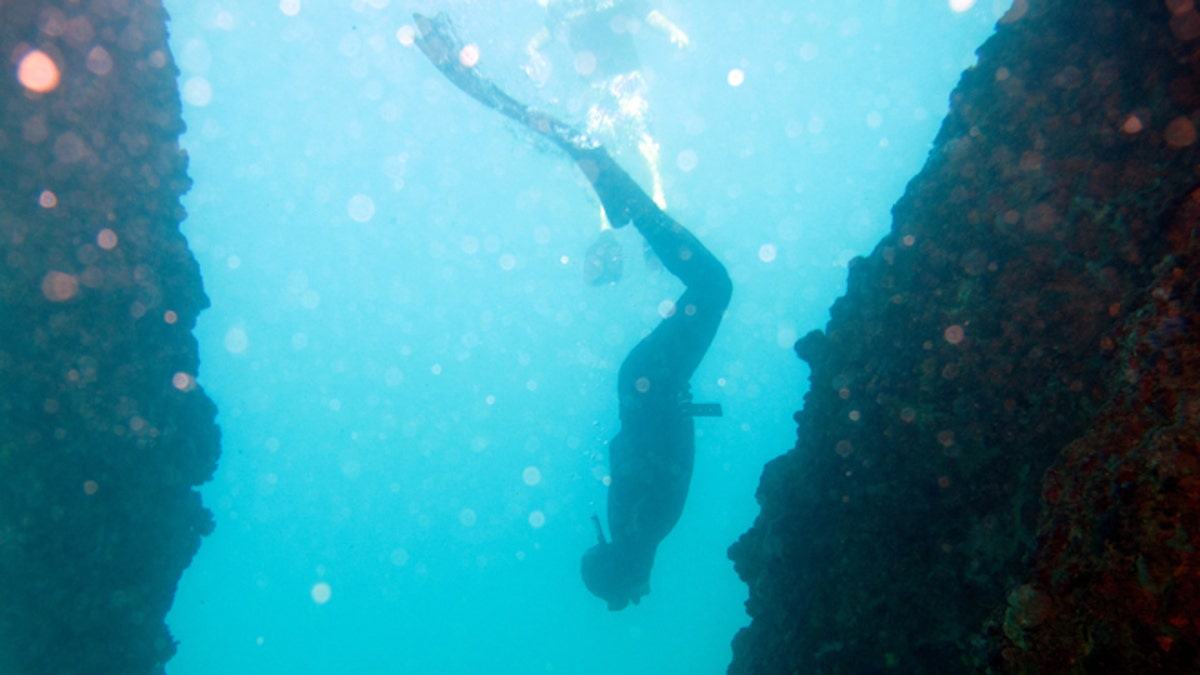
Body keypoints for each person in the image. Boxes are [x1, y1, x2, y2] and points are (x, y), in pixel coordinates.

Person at [413, 12, 730, 610]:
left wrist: (663, 406)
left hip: (653, 383)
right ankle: (620, 195)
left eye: (631, 592)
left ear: (625, 571)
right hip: (650, 384)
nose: (643, 592)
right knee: (712, 286)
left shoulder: (642, 528)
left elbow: (639, 453)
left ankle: (622, 196)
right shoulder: (637, 528)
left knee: (713, 287)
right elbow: (631, 452)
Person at [523, 0, 691, 285]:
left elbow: (647, 13)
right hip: (599, 88)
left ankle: (647, 207)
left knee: (628, 144)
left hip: (622, 80)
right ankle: (612, 225)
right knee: (613, 148)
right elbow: (544, 34)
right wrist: (531, 52)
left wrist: (672, 30)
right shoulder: (562, 6)